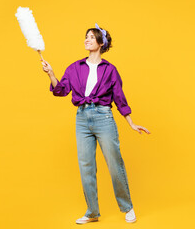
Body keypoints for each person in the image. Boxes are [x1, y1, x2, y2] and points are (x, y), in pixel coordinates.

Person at [41, 23, 150, 224]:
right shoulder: (75, 67)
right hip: (82, 119)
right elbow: (61, 91)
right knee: (86, 166)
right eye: (86, 36)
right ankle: (92, 212)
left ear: (101, 43)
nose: (87, 39)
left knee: (114, 163)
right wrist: (51, 74)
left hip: (103, 117)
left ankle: (127, 207)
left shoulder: (110, 70)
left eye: (91, 37)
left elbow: (119, 97)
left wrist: (131, 123)